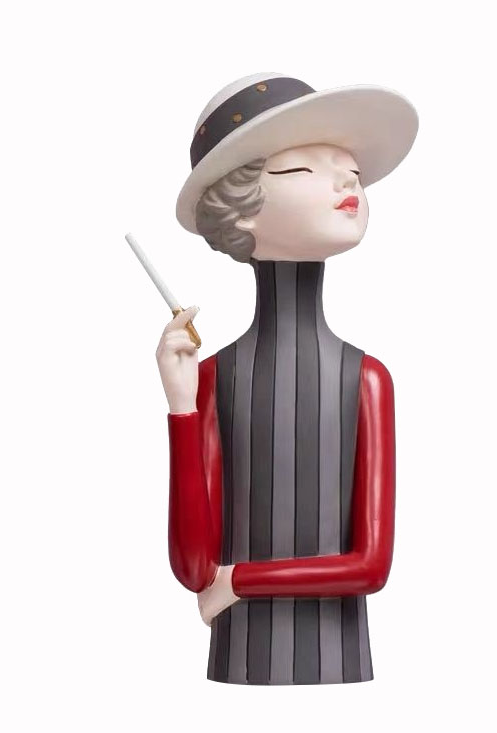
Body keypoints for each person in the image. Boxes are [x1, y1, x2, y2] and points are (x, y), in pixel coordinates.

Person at [155, 73, 419, 685]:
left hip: (341, 672)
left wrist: (238, 581)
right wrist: (180, 407)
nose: (348, 182)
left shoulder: (367, 379)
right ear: (239, 209)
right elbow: (194, 568)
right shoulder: (213, 376)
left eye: (351, 170)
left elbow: (372, 568)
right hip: (237, 672)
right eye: (303, 169)